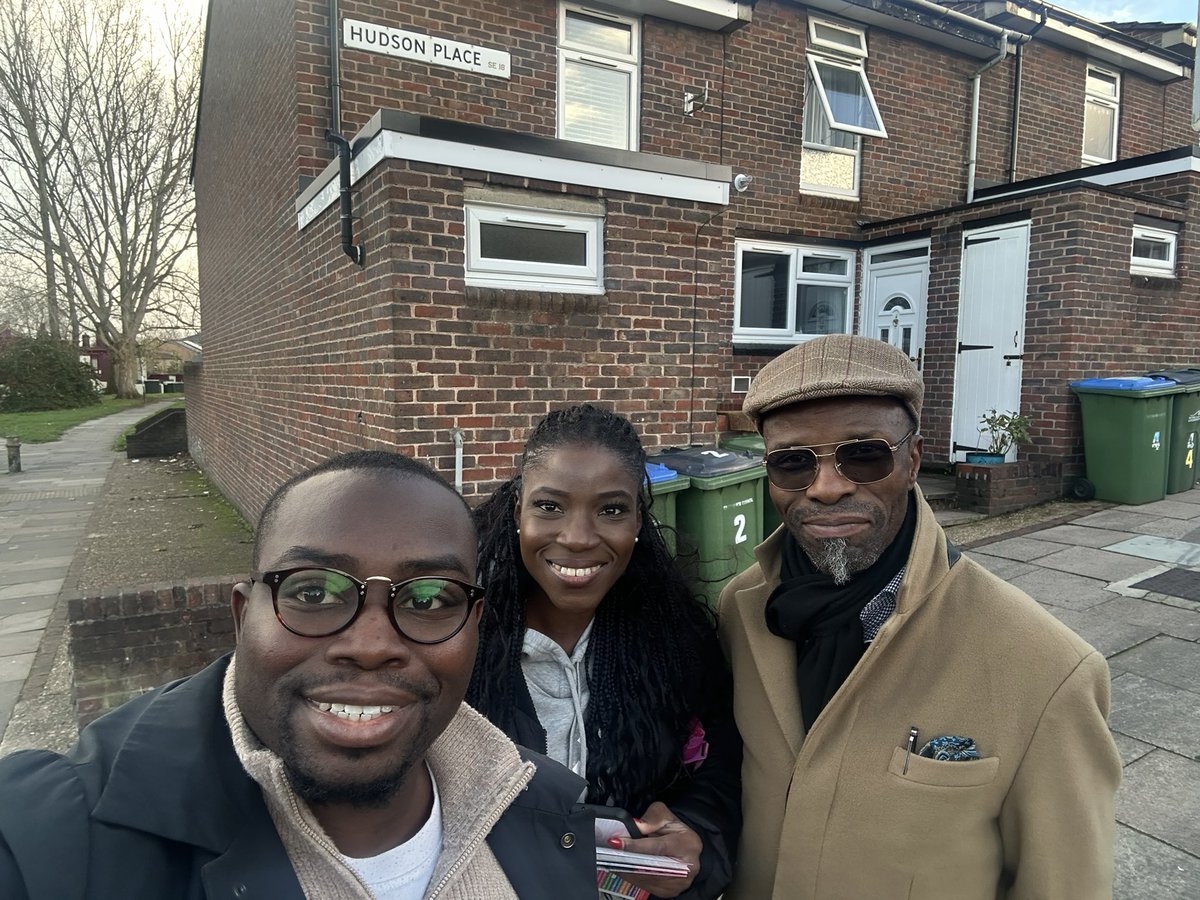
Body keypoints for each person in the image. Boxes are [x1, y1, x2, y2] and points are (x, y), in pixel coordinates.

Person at [0, 450, 600, 900]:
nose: (371, 646)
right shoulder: (54, 839)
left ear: (473, 627)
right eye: (313, 592)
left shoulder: (544, 809)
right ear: (244, 617)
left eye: (428, 599)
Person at [718, 335, 1121, 899]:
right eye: (792, 462)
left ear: (912, 461)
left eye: (864, 455)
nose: (827, 488)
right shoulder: (740, 611)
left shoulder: (1049, 670)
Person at [467, 404, 741, 900]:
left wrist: (693, 830)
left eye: (611, 510)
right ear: (518, 511)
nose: (577, 538)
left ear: (638, 518)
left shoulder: (677, 642)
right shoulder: (458, 643)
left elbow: (720, 766)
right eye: (550, 507)